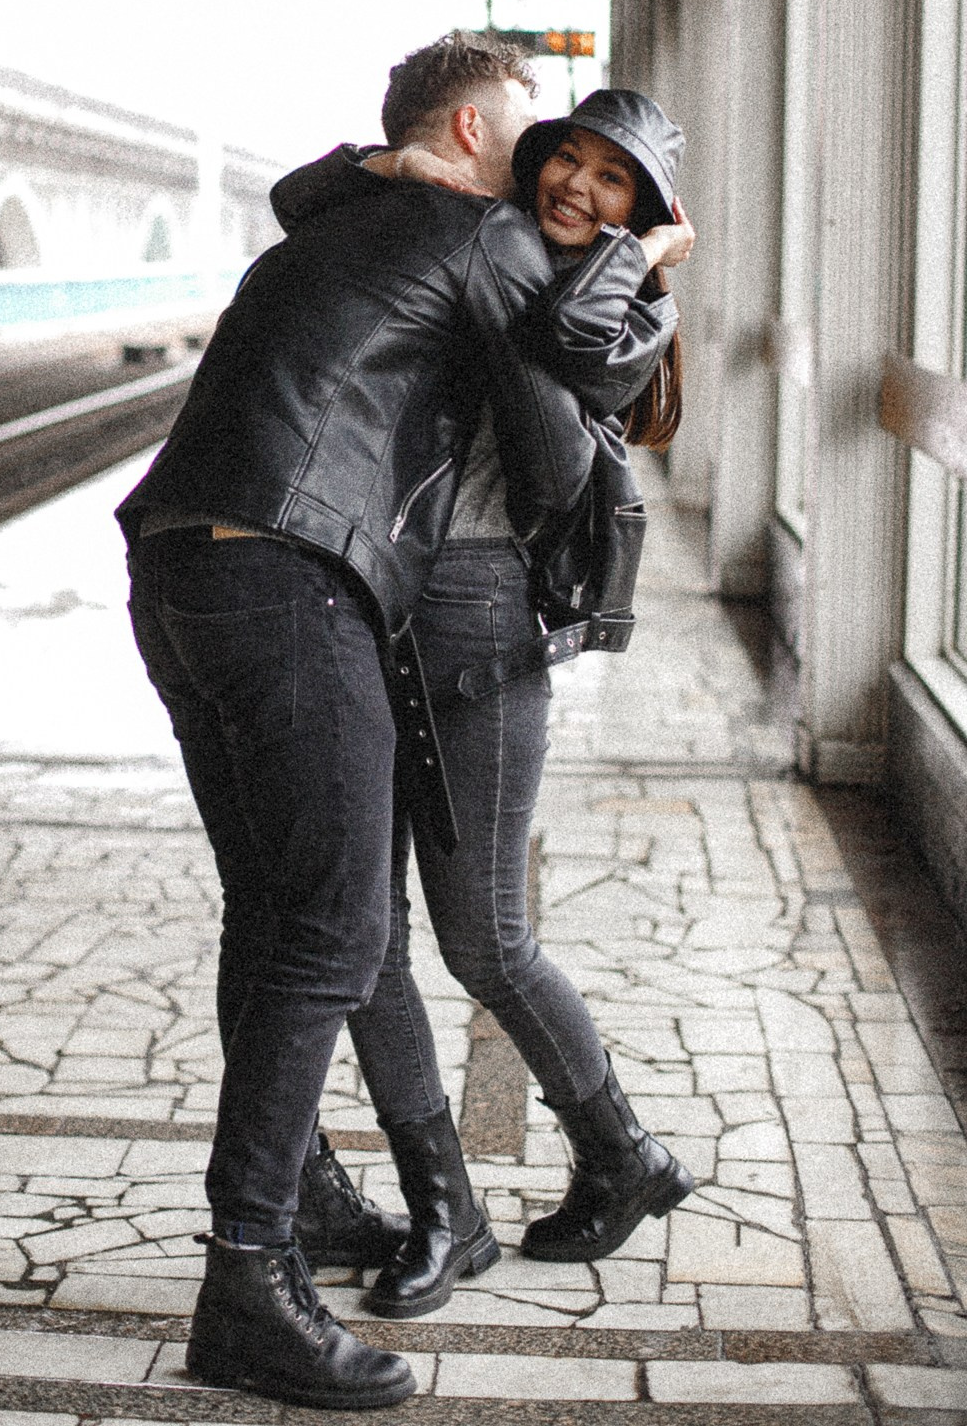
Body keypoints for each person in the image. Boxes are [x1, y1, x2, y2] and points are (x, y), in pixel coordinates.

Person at [117, 33, 609, 1409]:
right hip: (289, 573)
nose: (550, 155)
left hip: (177, 566)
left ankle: (316, 1207)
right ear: (464, 132)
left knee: (275, 909)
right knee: (337, 924)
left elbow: (297, 197)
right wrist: (606, 292)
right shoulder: (478, 233)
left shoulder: (340, 224)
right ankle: (246, 1283)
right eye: (527, 128)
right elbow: (563, 464)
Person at [271, 76, 696, 1318]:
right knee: (368, 931)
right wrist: (387, 163)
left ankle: (621, 1152)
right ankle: (445, 1202)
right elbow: (301, 204)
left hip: (480, 610)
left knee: (484, 936)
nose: (575, 186)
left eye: (611, 179)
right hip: (381, 592)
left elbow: (571, 376)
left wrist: (644, 252)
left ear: (643, 206)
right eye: (565, 161)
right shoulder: (487, 236)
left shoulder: (614, 312)